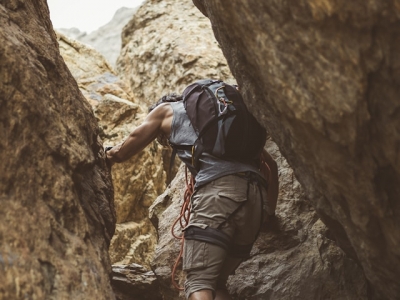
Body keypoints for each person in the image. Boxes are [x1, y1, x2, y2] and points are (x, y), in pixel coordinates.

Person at [106, 93, 279, 300]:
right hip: (255, 202)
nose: (166, 142)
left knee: (199, 281)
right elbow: (272, 167)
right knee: (217, 282)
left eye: (163, 140)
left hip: (219, 194)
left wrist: (108, 155)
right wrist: (268, 213)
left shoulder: (165, 111)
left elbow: (124, 150)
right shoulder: (222, 124)